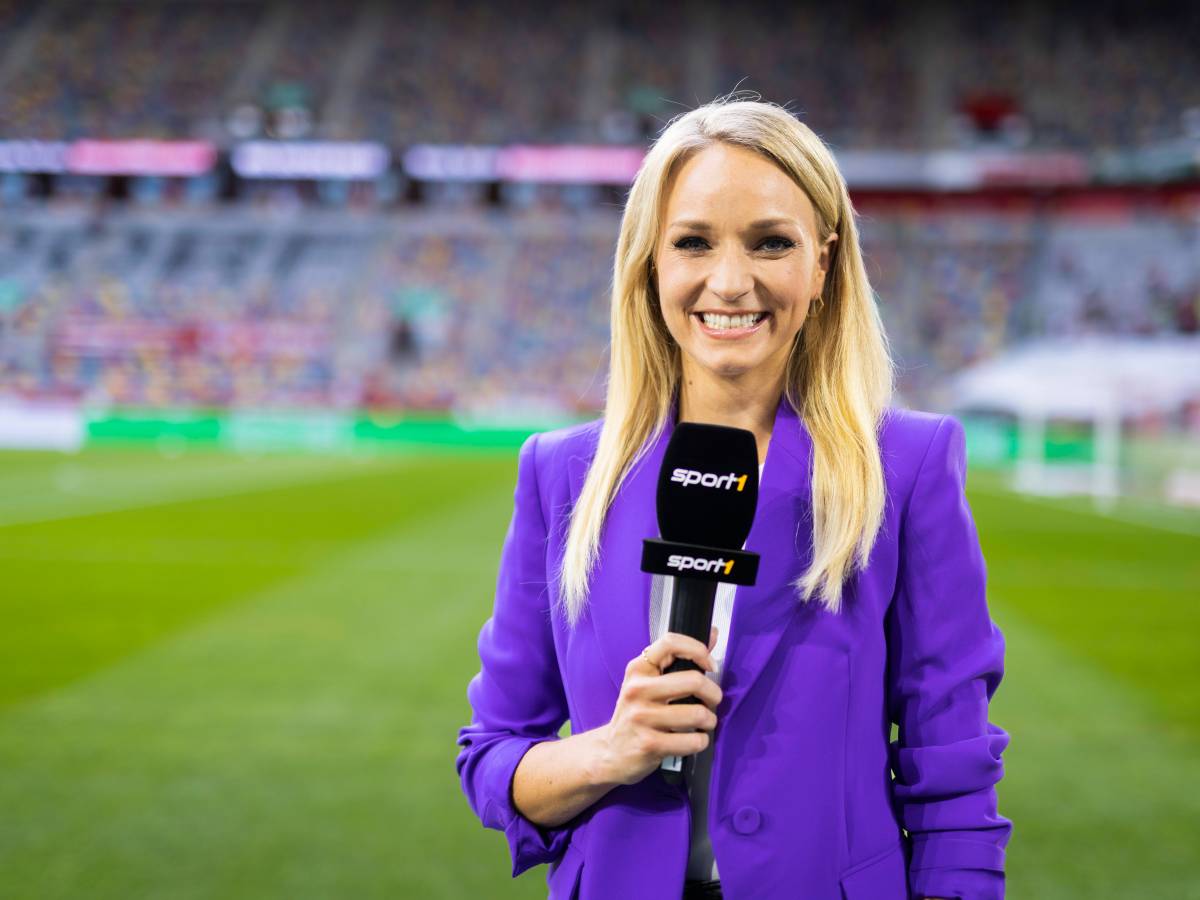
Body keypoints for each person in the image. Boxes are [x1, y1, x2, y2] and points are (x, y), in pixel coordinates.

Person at [455, 95, 1011, 900]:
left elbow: (954, 773)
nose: (730, 280)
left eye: (771, 243)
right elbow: (492, 760)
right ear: (650, 263)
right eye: (692, 242)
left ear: (822, 265)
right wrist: (612, 748)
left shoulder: (909, 466)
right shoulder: (561, 473)